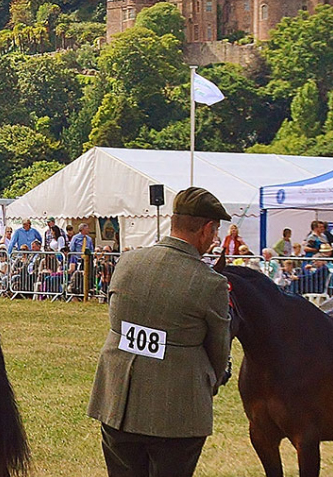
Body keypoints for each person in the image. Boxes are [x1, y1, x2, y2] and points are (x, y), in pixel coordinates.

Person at [88, 187, 231, 477]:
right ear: (206, 229)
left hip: (118, 402)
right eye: (215, 231)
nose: (214, 240)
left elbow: (117, 324)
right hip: (177, 411)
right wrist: (211, 382)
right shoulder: (210, 283)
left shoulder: (127, 262)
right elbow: (219, 351)